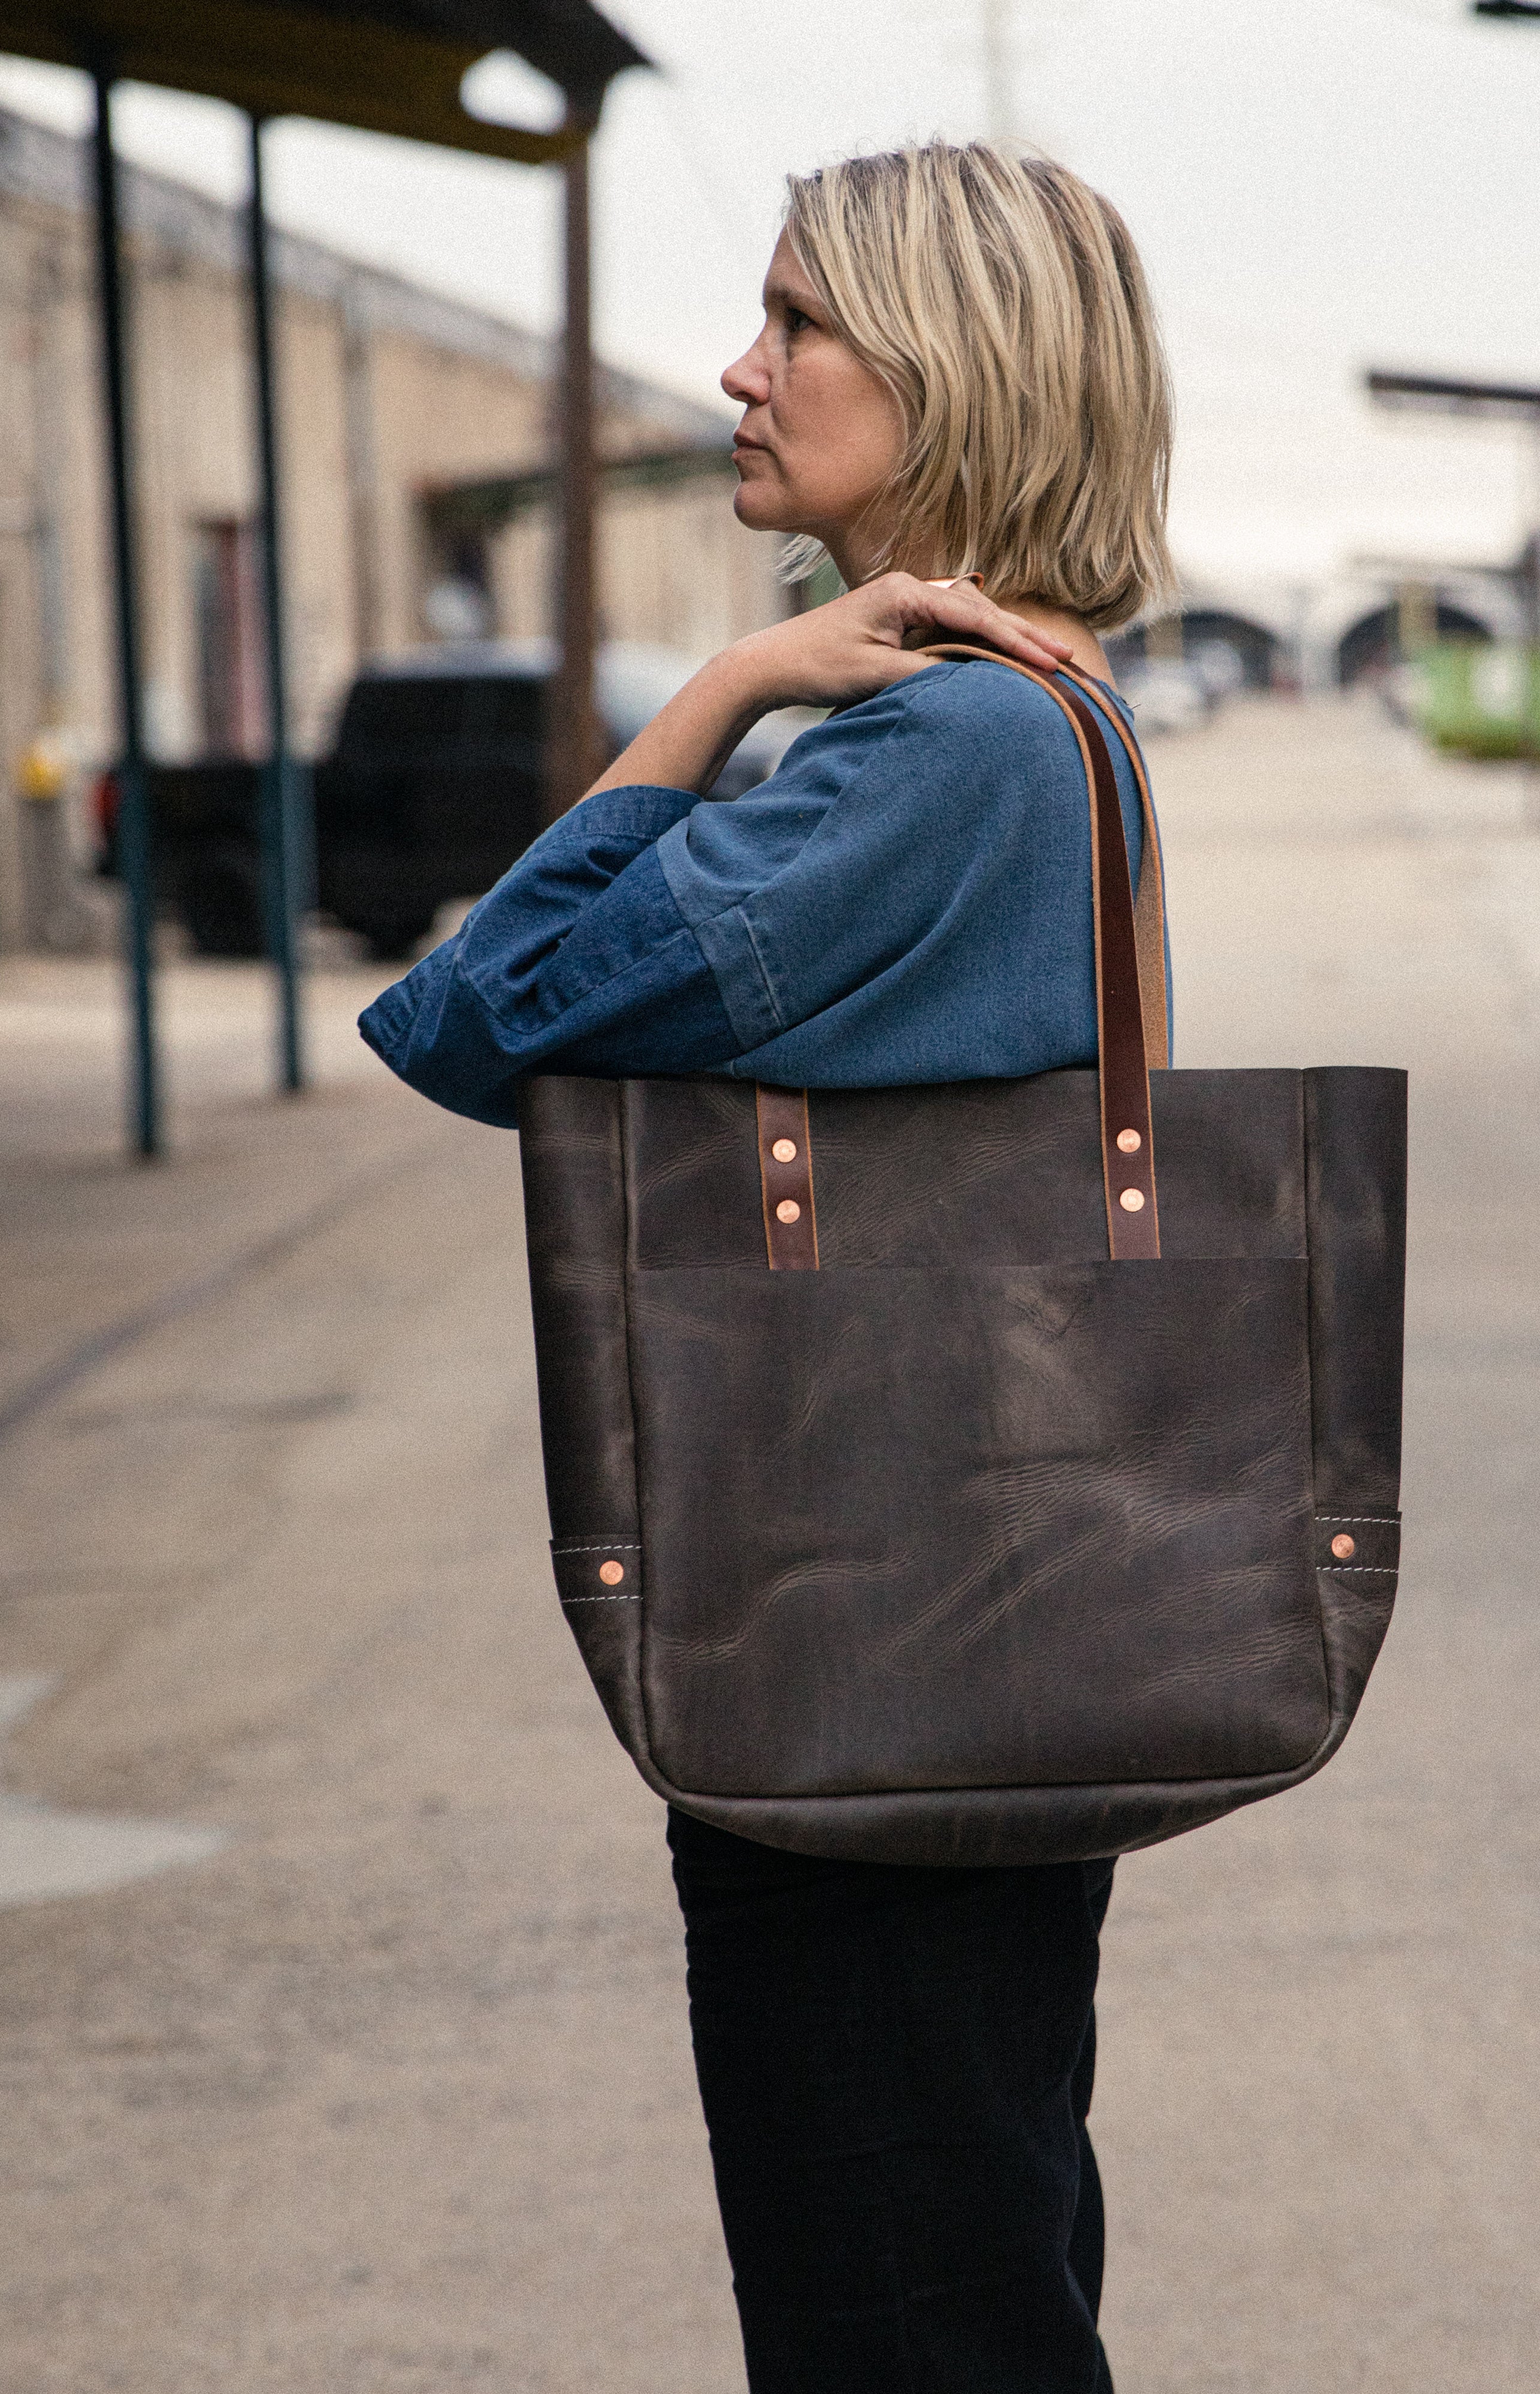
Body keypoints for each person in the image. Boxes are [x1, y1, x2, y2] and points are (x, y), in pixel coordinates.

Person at [362, 140, 1175, 2393]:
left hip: (860, 1642)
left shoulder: (935, 747)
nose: (742, 367)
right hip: (971, 1618)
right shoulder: (1049, 712)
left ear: (955, 369)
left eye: (798, 321)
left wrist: (712, 698)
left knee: (902, 2320)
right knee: (977, 2272)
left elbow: (464, 1020)